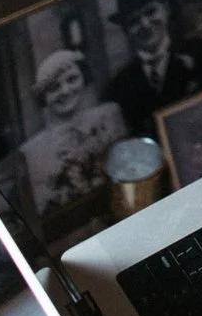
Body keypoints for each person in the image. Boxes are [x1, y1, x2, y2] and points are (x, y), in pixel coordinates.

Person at [103, 0, 202, 139]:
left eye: (150, 12)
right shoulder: (120, 85)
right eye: (134, 21)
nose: (145, 24)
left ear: (166, 10)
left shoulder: (201, 53)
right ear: (125, 30)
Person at [20, 49, 127, 213]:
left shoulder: (110, 116)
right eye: (54, 87)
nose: (65, 90)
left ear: (84, 78)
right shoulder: (33, 152)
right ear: (43, 97)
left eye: (72, 79)